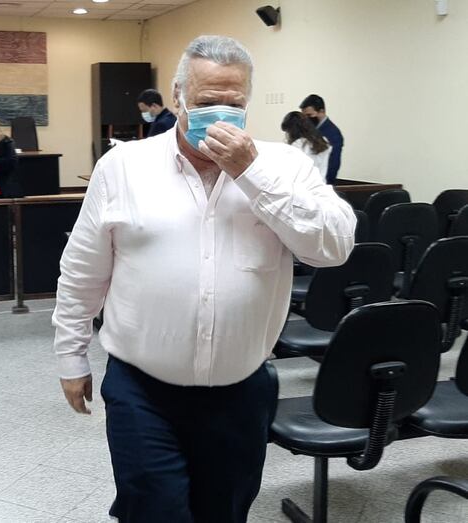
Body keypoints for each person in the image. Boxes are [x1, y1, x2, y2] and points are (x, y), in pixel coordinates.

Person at [53, 35, 355, 523]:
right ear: (178, 97)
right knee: (154, 510)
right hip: (143, 388)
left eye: (234, 103)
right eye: (208, 100)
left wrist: (252, 174)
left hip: (241, 388)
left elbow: (333, 247)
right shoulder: (123, 167)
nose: (221, 113)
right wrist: (70, 355)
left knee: (225, 511)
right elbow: (84, 268)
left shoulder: (284, 167)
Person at [300, 94, 343, 184]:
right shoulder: (309, 130)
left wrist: (325, 184)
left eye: (309, 115)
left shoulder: (333, 133)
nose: (307, 119)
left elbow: (333, 164)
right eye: (304, 116)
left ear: (321, 111)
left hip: (321, 183)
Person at [281, 110, 332, 181]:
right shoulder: (324, 141)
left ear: (292, 130)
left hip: (303, 184)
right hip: (321, 183)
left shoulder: (297, 145)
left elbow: (292, 170)